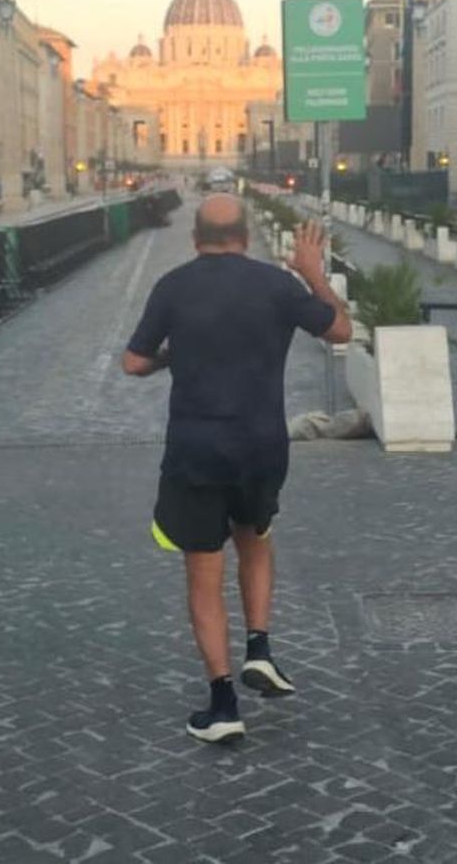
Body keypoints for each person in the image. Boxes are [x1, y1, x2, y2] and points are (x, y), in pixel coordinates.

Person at [124, 193, 353, 743]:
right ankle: (260, 647)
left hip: (196, 452)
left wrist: (170, 359)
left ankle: (223, 703)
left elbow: (134, 362)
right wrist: (313, 273)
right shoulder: (277, 286)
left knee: (205, 574)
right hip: (262, 449)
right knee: (256, 537)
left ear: (195, 237)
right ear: (245, 236)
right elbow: (340, 330)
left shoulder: (173, 286)